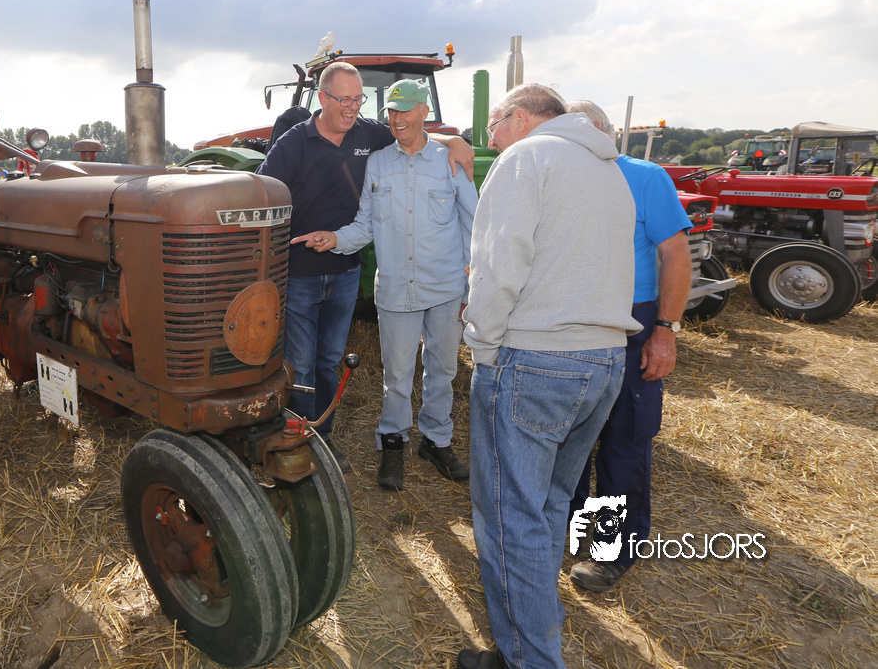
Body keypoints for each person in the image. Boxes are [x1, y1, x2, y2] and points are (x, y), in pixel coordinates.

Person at [455, 83, 640, 669]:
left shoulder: (525, 158)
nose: (492, 141)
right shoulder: (607, 169)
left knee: (511, 520)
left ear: (517, 117)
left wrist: (481, 345)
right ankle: (526, 642)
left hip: (535, 359)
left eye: (493, 129)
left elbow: (497, 264)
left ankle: (531, 660)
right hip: (603, 359)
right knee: (551, 505)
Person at [257, 62, 473, 472]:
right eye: (345, 99)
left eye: (358, 99)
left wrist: (456, 140)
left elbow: (469, 217)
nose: (353, 107)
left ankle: (345, 440)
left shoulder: (385, 141)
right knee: (308, 364)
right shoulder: (305, 144)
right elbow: (264, 194)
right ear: (323, 99)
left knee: (339, 361)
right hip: (311, 271)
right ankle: (310, 442)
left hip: (372, 275)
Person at [565, 100, 692, 591]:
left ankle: (615, 550)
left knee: (623, 439)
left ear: (604, 132)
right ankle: (570, 524)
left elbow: (675, 254)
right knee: (571, 434)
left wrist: (665, 330)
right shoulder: (563, 177)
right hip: (575, 319)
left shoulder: (644, 176)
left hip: (632, 323)